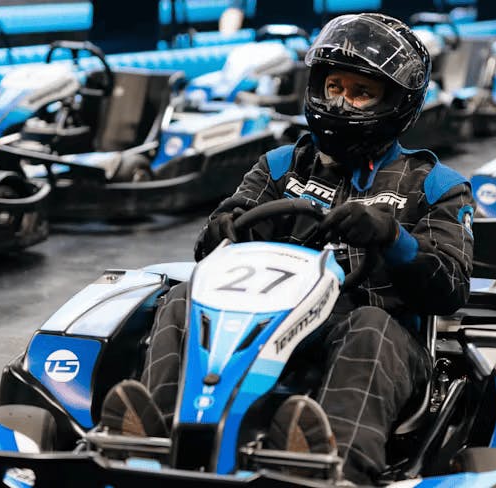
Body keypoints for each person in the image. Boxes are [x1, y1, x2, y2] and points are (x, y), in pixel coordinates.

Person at [98, 13, 474, 485]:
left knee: (372, 326)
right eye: (334, 86)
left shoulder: (436, 185)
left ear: (398, 103)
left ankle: (330, 464)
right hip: (270, 324)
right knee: (182, 299)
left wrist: (391, 237)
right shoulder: (280, 165)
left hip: (369, 333)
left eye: (361, 92)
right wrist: (224, 229)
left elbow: (452, 287)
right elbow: (212, 246)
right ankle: (155, 438)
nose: (341, 101)